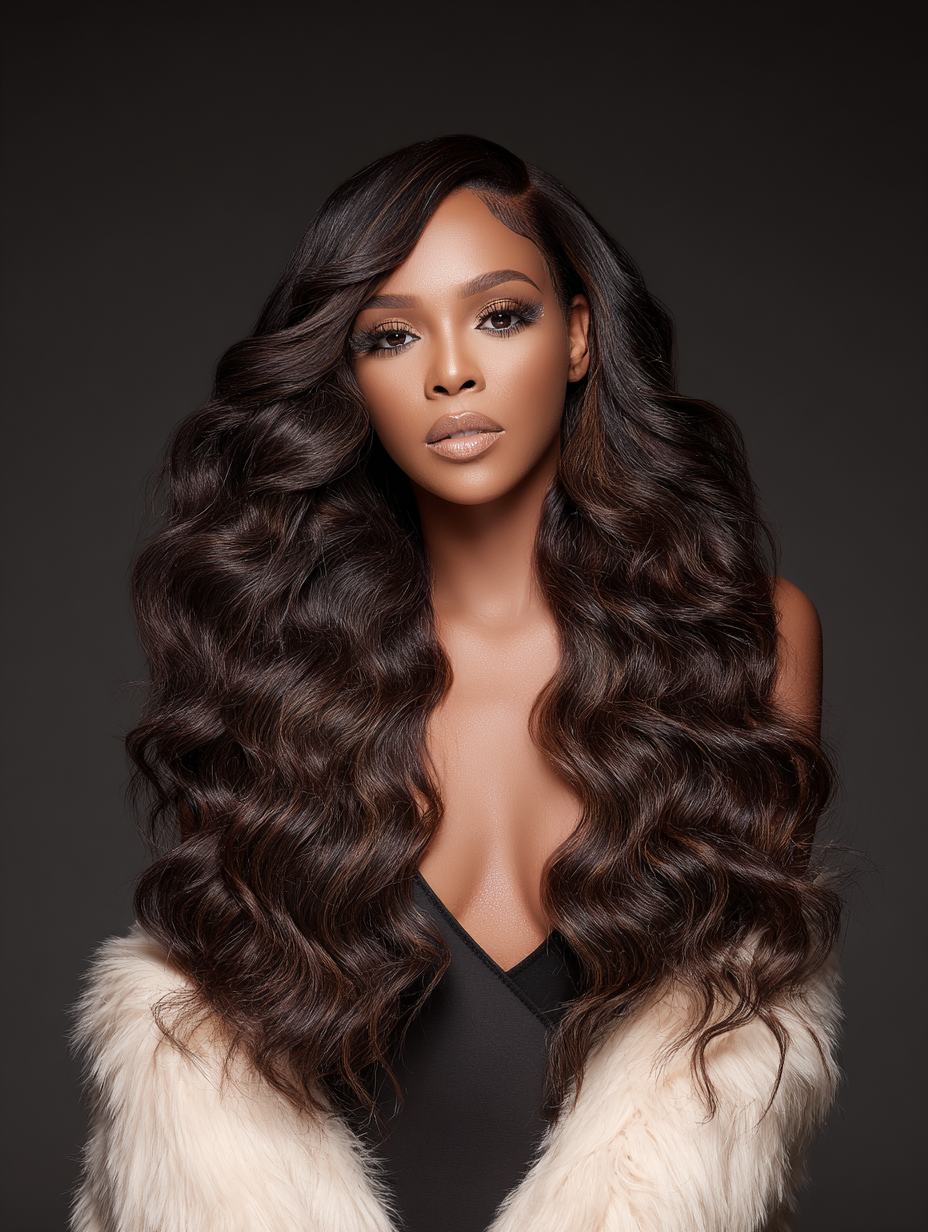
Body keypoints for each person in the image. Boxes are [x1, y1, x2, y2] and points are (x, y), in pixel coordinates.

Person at [71, 134, 842, 1232]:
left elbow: (730, 1040)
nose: (449, 370)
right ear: (350, 375)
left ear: (577, 336)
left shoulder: (746, 642)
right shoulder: (271, 656)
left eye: (500, 314)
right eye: (390, 334)